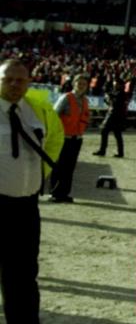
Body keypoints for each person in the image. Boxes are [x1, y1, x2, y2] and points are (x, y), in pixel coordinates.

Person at [1, 59, 63, 324]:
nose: (15, 84)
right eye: (8, 79)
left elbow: (52, 143)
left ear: (29, 82)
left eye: (21, 79)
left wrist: (37, 179)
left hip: (26, 207)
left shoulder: (38, 110)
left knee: (24, 273)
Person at [49, 73, 91, 203]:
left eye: (84, 84)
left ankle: (64, 193)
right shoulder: (66, 98)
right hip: (64, 138)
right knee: (59, 166)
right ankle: (55, 193)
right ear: (74, 84)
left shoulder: (85, 101)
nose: (81, 86)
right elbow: (54, 115)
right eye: (79, 83)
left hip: (76, 139)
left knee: (70, 168)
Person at [92, 79, 128, 158]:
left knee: (105, 131)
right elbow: (109, 102)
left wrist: (108, 97)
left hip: (114, 115)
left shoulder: (121, 94)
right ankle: (119, 152)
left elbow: (114, 103)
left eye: (116, 84)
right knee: (117, 134)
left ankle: (103, 150)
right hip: (115, 115)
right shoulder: (117, 93)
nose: (114, 85)